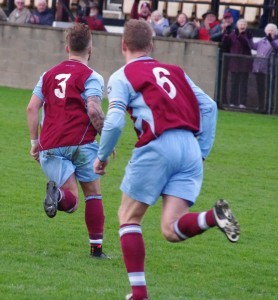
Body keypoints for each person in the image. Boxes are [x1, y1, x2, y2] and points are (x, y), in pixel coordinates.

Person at [93, 19, 240, 300]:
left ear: (123, 45)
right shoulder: (176, 71)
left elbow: (113, 123)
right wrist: (202, 151)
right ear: (152, 45)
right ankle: (214, 217)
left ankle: (139, 294)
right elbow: (208, 107)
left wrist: (101, 156)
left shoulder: (122, 75)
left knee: (128, 217)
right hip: (189, 148)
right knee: (171, 229)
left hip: (158, 144)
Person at [26, 23, 108, 259]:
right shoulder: (92, 76)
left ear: (66, 48)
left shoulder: (48, 75)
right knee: (92, 194)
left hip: (50, 146)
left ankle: (58, 196)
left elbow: (32, 108)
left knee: (70, 201)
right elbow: (93, 109)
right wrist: (105, 138)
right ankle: (96, 250)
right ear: (90, 49)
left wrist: (34, 142)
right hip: (82, 143)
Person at [221, 18, 253, 108]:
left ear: (246, 26)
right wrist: (226, 34)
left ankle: (242, 103)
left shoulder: (248, 35)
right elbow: (225, 44)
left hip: (245, 63)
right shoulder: (232, 34)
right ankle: (233, 102)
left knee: (243, 83)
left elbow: (248, 45)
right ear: (237, 25)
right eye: (241, 24)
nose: (242, 26)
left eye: (244, 24)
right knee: (234, 83)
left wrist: (239, 36)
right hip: (234, 62)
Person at [250, 23, 278, 113]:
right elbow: (253, 46)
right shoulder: (262, 40)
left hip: (269, 69)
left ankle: (267, 107)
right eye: (268, 30)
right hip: (259, 68)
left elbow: (277, 48)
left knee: (267, 89)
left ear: (275, 32)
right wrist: (249, 38)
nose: (270, 32)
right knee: (260, 88)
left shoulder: (277, 41)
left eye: (272, 30)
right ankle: (260, 106)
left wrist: (271, 40)